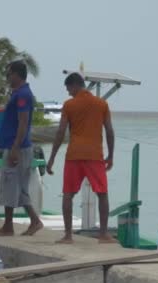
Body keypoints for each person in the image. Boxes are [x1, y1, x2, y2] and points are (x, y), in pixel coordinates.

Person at [46, 73, 115, 244]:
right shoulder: (102, 104)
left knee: (68, 194)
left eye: (68, 88)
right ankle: (104, 234)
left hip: (74, 155)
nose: (68, 92)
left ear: (75, 85)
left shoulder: (69, 105)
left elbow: (61, 132)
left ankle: (68, 235)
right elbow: (109, 131)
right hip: (94, 155)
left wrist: (52, 157)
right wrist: (111, 155)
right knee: (102, 193)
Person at [0, 60, 43, 237]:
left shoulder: (22, 95)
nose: (7, 77)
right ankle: (30, 221)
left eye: (9, 74)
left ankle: (11, 225)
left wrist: (15, 148)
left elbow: (23, 122)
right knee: (16, 186)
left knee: (12, 185)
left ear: (17, 74)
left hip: (17, 148)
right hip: (14, 145)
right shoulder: (18, 94)